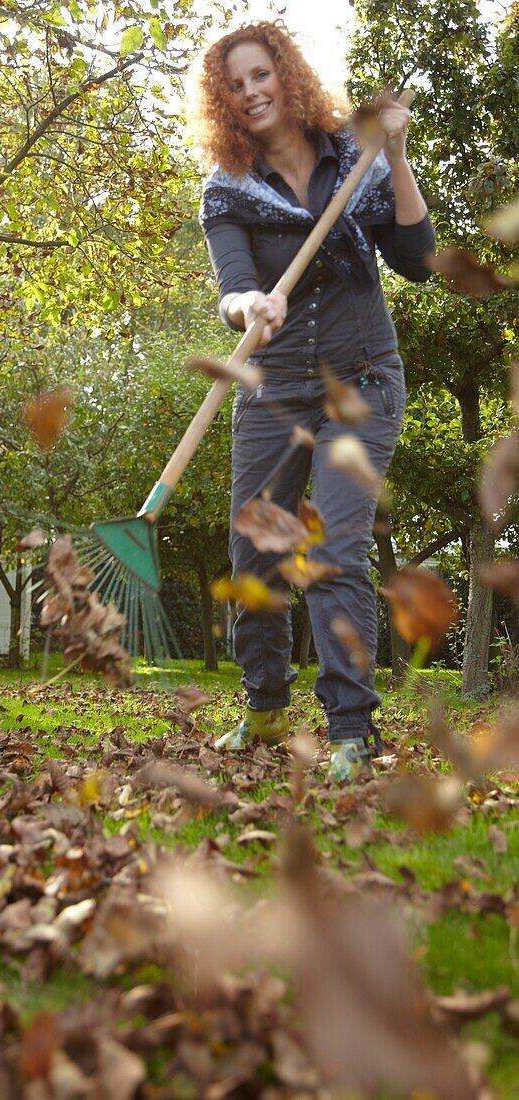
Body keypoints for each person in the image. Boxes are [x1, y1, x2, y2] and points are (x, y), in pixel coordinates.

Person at [191, 21, 436, 779]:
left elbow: (416, 259)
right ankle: (264, 707)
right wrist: (247, 308)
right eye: (233, 85)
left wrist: (393, 155)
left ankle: (351, 727)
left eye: (260, 74)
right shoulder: (227, 189)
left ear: (285, 76)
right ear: (222, 102)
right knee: (256, 556)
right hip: (271, 389)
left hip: (359, 381)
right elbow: (232, 283)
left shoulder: (350, 161)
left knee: (331, 548)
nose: (250, 91)